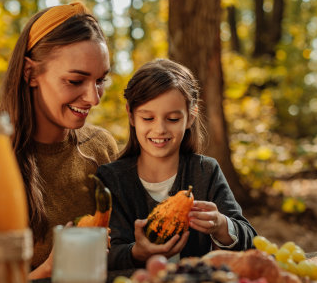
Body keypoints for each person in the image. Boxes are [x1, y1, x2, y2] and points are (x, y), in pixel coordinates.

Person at [0, 2, 119, 279]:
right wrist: (50, 269)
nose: (94, 98)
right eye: (75, 81)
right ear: (30, 73)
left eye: (100, 80)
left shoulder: (101, 147)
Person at [95, 59, 255, 270]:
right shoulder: (111, 179)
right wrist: (136, 252)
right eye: (148, 118)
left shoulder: (205, 172)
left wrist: (220, 224)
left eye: (172, 119)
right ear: (131, 115)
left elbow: (250, 240)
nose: (159, 129)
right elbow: (103, 255)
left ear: (190, 117)